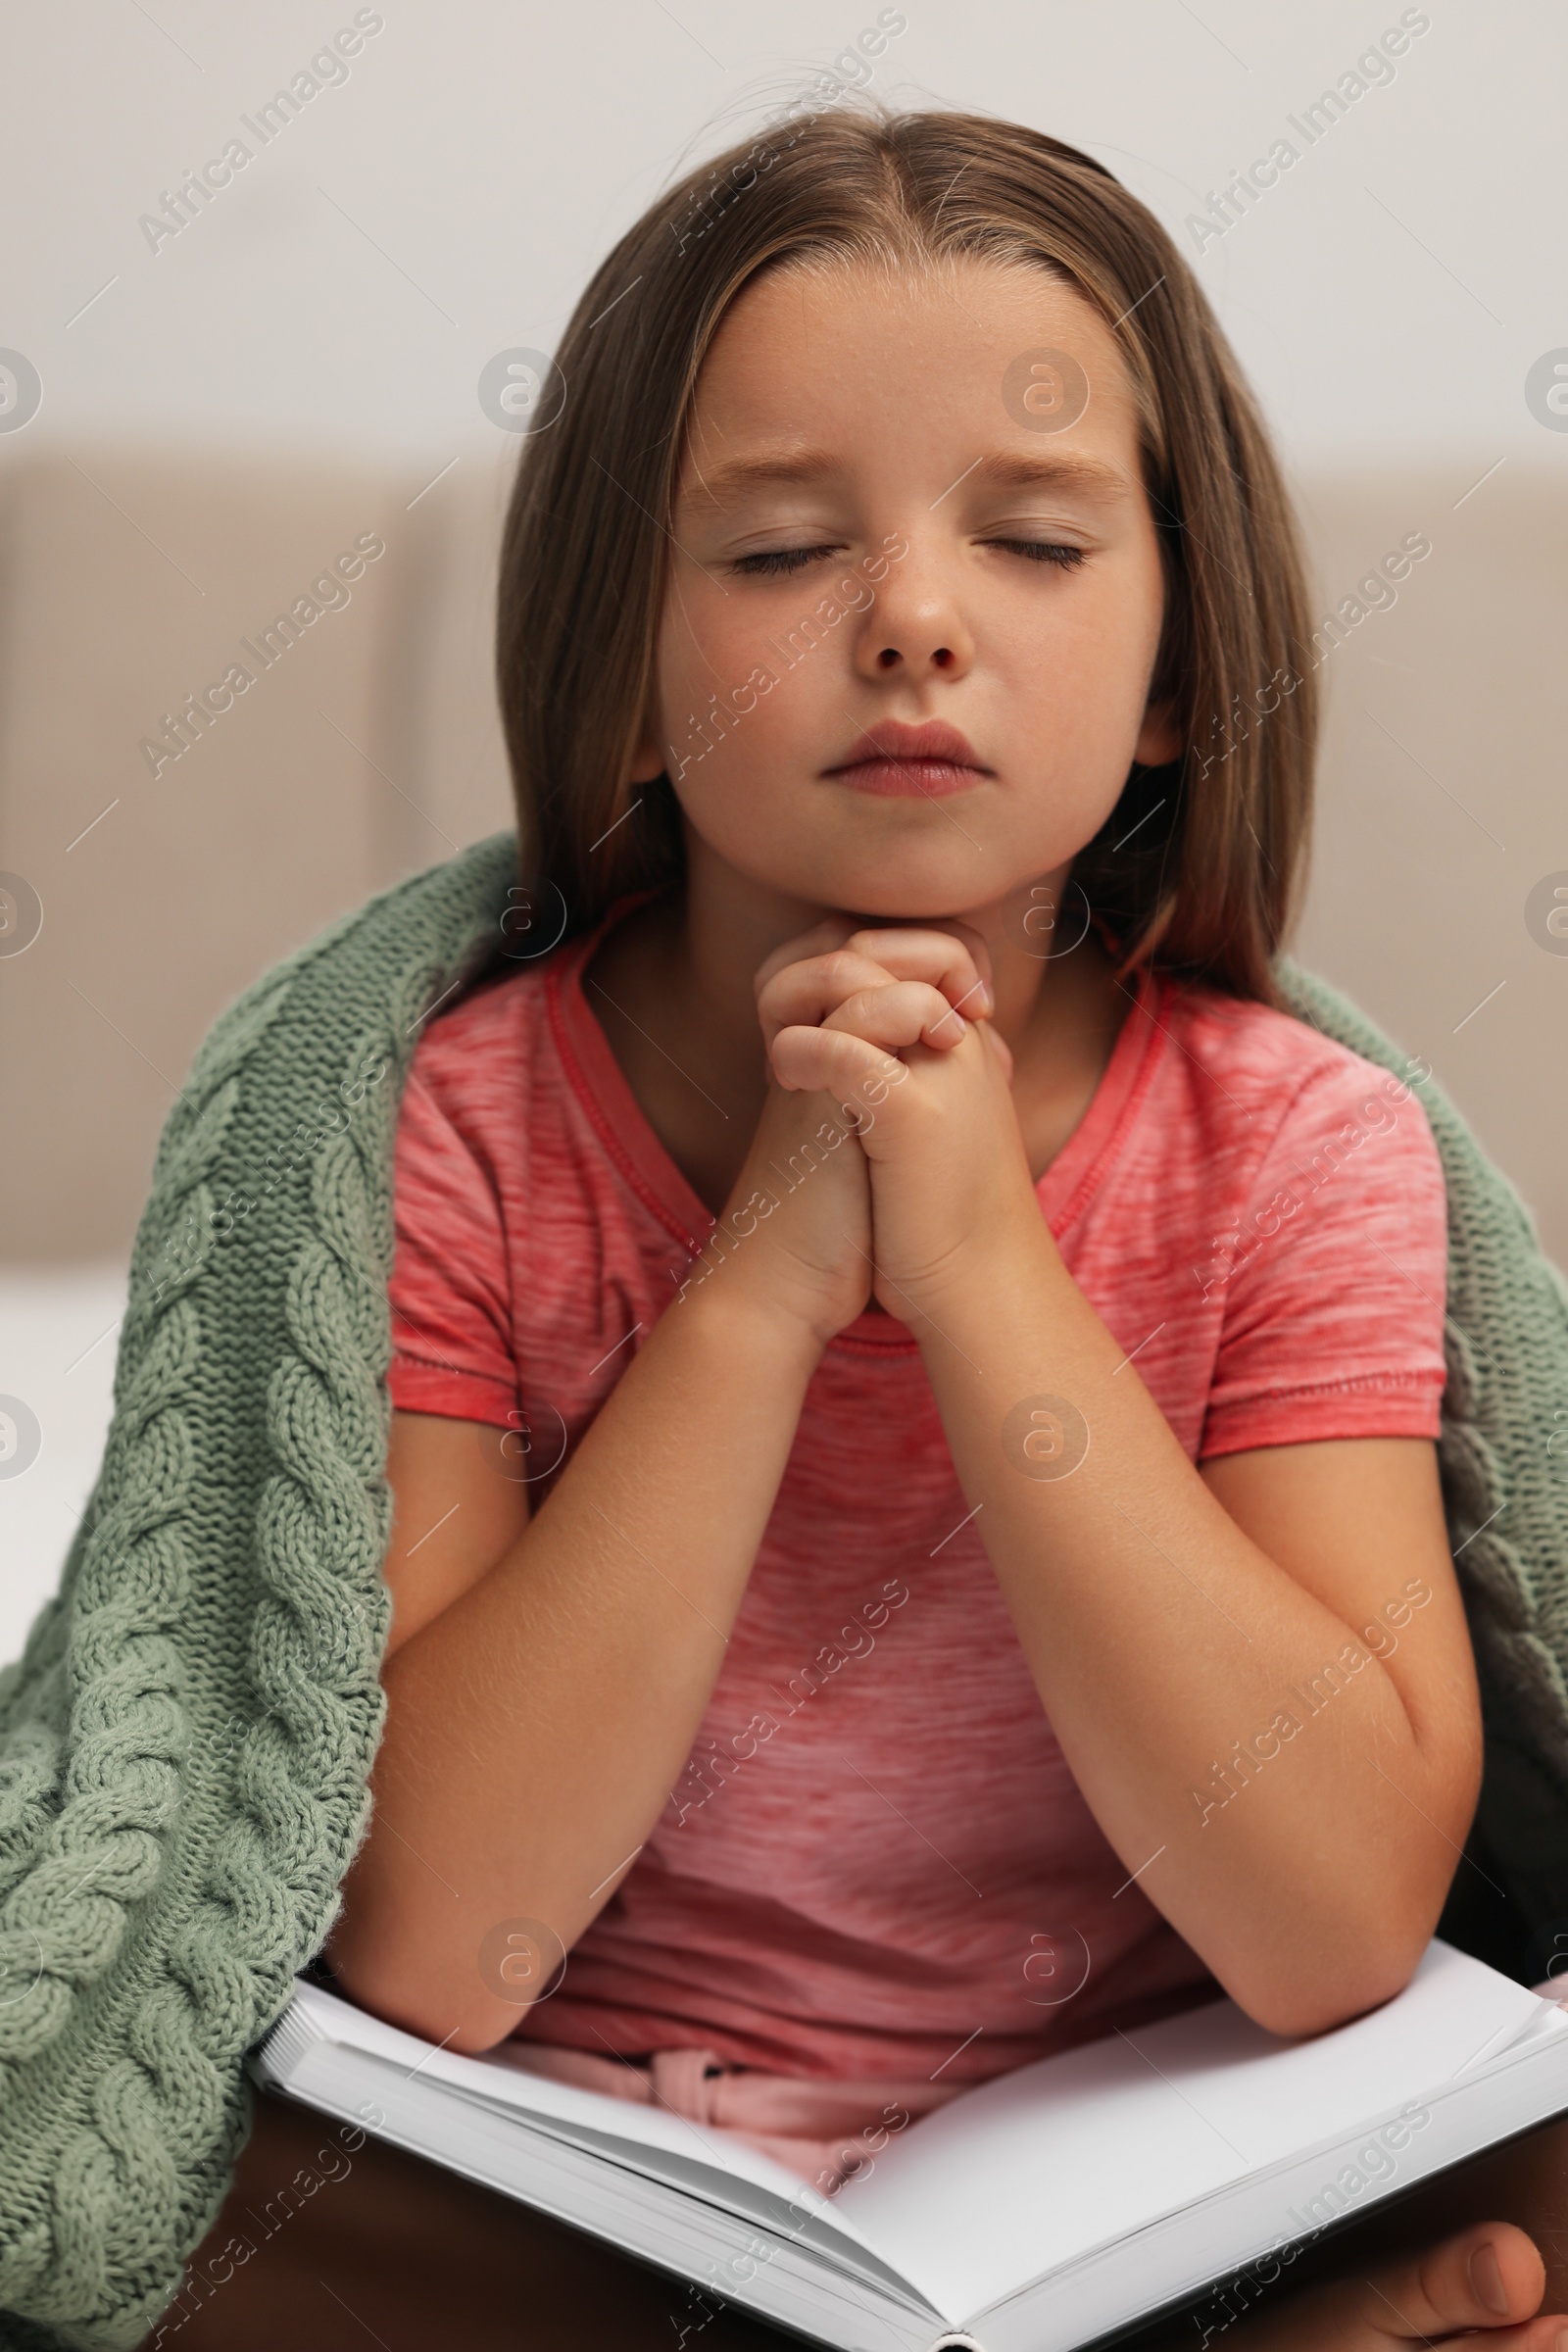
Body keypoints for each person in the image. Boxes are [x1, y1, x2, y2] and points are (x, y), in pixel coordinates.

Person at [303, 98, 1568, 2350]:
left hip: (1151, 2157)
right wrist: (763, 1285)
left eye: (1035, 545)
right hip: (576, 2187)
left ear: (1182, 667)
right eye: (781, 549)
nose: (906, 619)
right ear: (617, 659)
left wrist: (983, 1273)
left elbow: (1331, 1923)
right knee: (185, 2204)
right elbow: (422, 1935)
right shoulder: (448, 1130)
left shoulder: (1297, 1150)